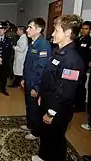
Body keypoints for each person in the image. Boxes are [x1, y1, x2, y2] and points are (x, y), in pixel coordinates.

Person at [32, 14, 84, 161]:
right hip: (48, 102)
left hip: (58, 109)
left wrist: (51, 112)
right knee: (46, 134)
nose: (53, 33)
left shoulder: (72, 60)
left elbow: (64, 92)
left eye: (56, 30)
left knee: (56, 139)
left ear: (68, 33)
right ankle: (43, 156)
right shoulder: (57, 52)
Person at [20, 18, 52, 141]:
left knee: (35, 108)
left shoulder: (43, 45)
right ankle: (30, 125)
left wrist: (36, 87)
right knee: (29, 106)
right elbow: (29, 65)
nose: (27, 30)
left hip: (35, 84)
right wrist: (24, 78)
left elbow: (41, 68)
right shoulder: (33, 43)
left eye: (30, 27)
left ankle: (36, 131)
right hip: (29, 81)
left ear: (38, 30)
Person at [74, 21, 91, 113]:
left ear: (89, 30)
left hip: (83, 67)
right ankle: (75, 103)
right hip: (75, 66)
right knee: (75, 85)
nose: (84, 31)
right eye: (82, 28)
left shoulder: (89, 41)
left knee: (81, 86)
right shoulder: (78, 39)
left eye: (86, 29)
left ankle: (80, 106)